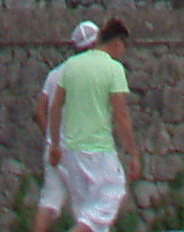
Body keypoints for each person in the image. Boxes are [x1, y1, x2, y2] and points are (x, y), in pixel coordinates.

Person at [52, 17, 140, 232]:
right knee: (114, 191)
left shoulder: (70, 66)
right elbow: (121, 116)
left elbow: (56, 107)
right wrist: (133, 153)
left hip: (71, 151)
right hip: (98, 151)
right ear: (117, 42)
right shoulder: (113, 69)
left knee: (87, 214)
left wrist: (55, 143)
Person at [36, 23, 102, 232]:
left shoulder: (56, 74)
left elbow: (39, 111)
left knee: (48, 203)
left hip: (55, 150)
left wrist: (53, 139)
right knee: (91, 214)